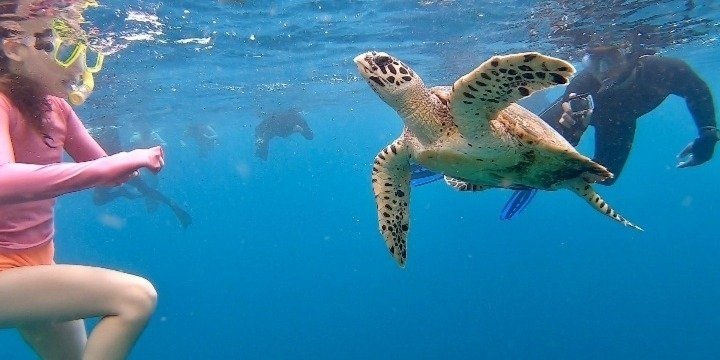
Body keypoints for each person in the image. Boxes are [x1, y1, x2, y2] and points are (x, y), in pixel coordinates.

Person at [0, 2, 163, 359]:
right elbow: (4, 182)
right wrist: (110, 168)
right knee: (135, 298)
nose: (78, 66)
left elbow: (103, 171)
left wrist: (124, 166)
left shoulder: (56, 108)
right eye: (67, 49)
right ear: (15, 49)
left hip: (37, 265)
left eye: (86, 54)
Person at [413, 44, 718, 219]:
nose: (600, 68)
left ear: (630, 56)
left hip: (620, 122)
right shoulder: (585, 83)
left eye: (609, 59)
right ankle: (454, 155)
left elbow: (698, 92)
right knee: (522, 137)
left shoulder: (665, 70)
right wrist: (572, 128)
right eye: (591, 60)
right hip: (581, 119)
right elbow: (554, 140)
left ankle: (529, 180)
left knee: (606, 178)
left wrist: (708, 133)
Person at [92, 117, 192, 228]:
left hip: (110, 166)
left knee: (99, 199)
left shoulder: (100, 128)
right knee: (143, 190)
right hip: (117, 164)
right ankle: (172, 206)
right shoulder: (106, 127)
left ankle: (172, 205)